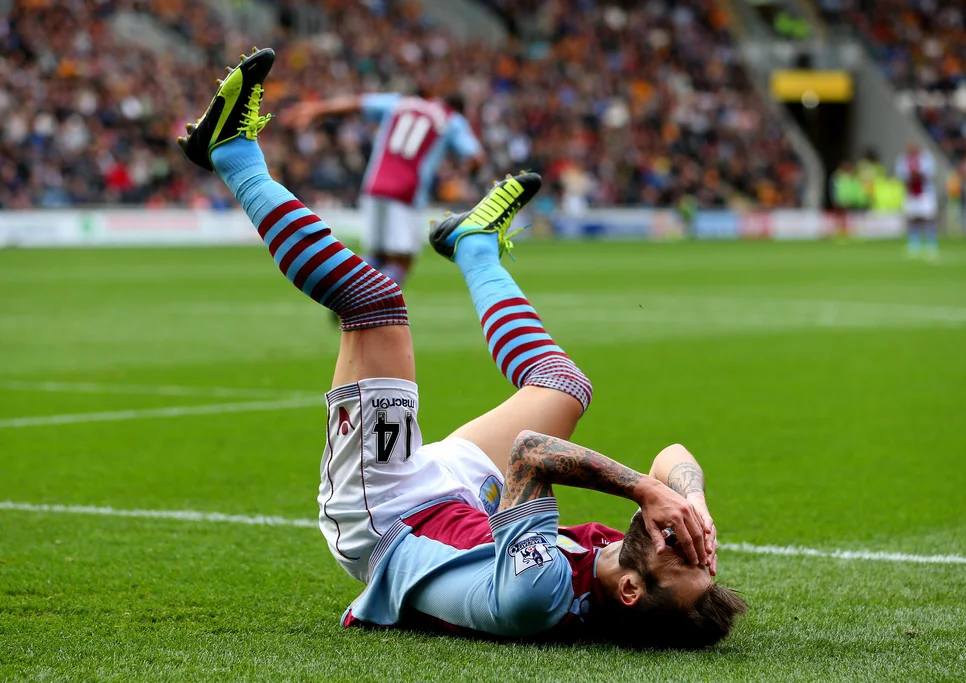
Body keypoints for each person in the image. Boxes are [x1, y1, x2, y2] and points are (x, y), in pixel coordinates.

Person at [177, 48, 746, 649]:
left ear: (631, 592)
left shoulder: (538, 595)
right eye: (698, 553)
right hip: (463, 501)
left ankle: (230, 153)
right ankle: (474, 244)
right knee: (564, 387)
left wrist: (644, 490)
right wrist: (692, 499)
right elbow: (673, 455)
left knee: (374, 302)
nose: (678, 540)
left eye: (678, 556)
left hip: (389, 514)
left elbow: (531, 455)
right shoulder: (624, 562)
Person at [280, 87, 484, 286]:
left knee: (377, 256)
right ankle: (357, 303)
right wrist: (464, 173)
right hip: (407, 192)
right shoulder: (451, 118)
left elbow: (357, 102)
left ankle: (347, 289)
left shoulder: (400, 103)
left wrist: (316, 110)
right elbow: (476, 158)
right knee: (402, 260)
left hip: (374, 185)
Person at [895, 141, 939, 259]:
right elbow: (900, 174)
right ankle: (914, 244)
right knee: (912, 219)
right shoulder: (903, 158)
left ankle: (931, 243)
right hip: (910, 192)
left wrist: (919, 174)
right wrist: (910, 176)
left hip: (924, 192)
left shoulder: (926, 158)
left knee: (928, 218)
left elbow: (931, 172)